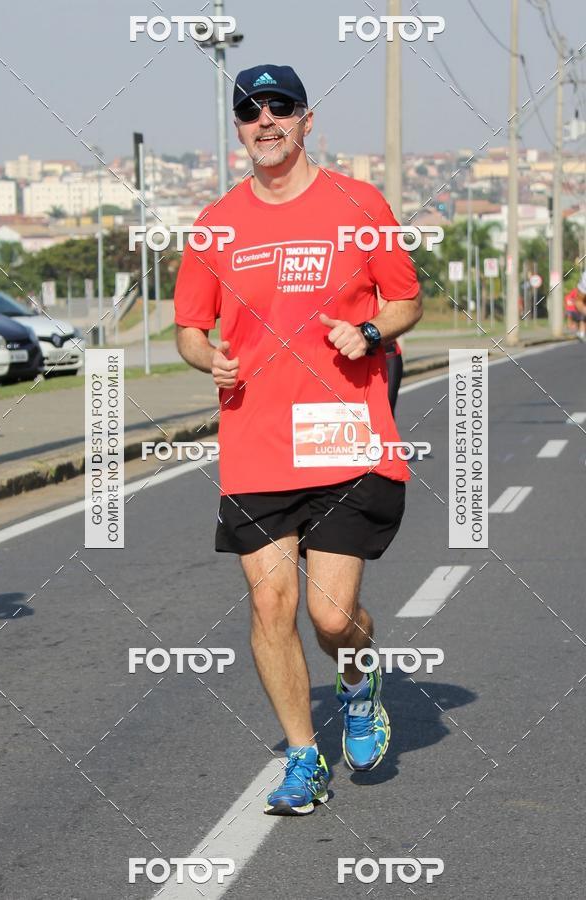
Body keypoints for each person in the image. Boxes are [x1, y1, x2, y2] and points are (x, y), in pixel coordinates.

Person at [174, 64, 422, 816]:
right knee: (269, 605)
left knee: (330, 618)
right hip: (255, 441)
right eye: (251, 111)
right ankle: (303, 759)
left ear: (307, 120)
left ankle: (357, 681)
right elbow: (189, 327)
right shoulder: (216, 224)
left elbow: (406, 298)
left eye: (280, 107)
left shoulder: (358, 203)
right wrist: (204, 356)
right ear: (239, 126)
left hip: (345, 438)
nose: (266, 121)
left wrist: (371, 330)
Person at [566, 273, 586, 340]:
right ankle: (581, 333)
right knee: (581, 319)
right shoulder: (574, 292)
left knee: (581, 320)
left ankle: (581, 333)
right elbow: (577, 301)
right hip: (572, 309)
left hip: (574, 308)